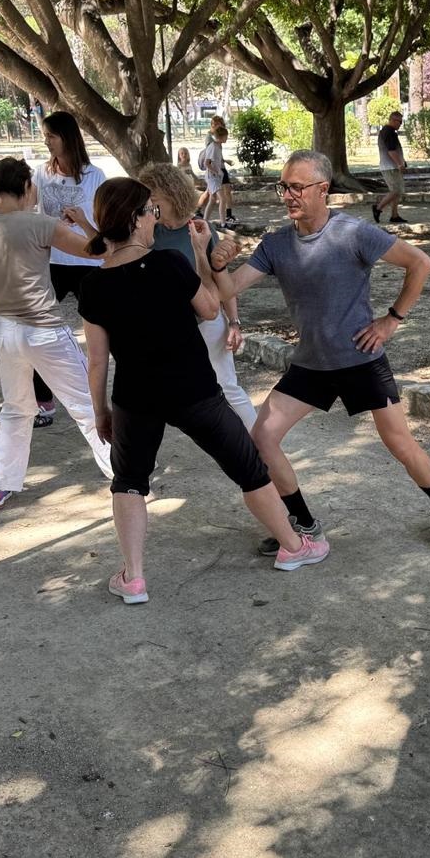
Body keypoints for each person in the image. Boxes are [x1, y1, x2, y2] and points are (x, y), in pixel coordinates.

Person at [77, 179, 330, 604]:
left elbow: (98, 360)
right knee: (248, 468)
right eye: (150, 212)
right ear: (138, 219)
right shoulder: (170, 265)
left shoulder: (95, 285)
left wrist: (100, 411)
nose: (154, 219)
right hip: (193, 389)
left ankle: (134, 577)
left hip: (134, 396)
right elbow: (210, 308)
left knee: (130, 481)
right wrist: (198, 253)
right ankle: (293, 546)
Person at [229, 149, 430, 554]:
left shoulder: (353, 233)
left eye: (297, 187)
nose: (288, 195)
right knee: (262, 438)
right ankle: (303, 524)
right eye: (284, 187)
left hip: (360, 360)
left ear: (323, 190)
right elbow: (226, 290)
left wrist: (391, 320)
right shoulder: (276, 245)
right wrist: (209, 260)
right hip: (311, 364)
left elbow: (420, 263)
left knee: (400, 443)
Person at [0, 156, 112, 509]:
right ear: (27, 187)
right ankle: (122, 474)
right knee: (86, 405)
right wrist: (85, 223)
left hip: (5, 333)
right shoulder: (40, 224)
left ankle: (0, 485)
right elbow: (99, 251)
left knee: (15, 409)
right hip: (44, 329)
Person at [135, 161, 256, 429]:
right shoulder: (148, 232)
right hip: (171, 329)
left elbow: (221, 279)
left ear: (172, 194)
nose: (149, 207)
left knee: (226, 386)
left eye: (153, 199)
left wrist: (234, 323)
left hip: (207, 321)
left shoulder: (200, 228)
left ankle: (260, 441)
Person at [28, 111, 106, 427]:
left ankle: (111, 399)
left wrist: (83, 223)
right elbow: (30, 213)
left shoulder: (94, 175)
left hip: (89, 263)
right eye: (44, 136)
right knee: (37, 330)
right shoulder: (40, 175)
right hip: (53, 263)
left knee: (107, 331)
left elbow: (103, 221)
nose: (46, 141)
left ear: (68, 137)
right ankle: (43, 402)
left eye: (51, 136)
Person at [197, 119, 237, 229]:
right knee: (222, 199)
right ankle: (223, 223)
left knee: (212, 199)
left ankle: (205, 221)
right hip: (212, 177)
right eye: (226, 137)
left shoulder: (218, 146)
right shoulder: (213, 146)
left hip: (216, 176)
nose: (227, 139)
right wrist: (216, 172)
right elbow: (207, 163)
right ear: (222, 136)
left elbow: (217, 160)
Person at [373, 110, 408, 224]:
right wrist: (399, 164)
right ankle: (378, 208)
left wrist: (402, 161)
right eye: (399, 122)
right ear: (393, 120)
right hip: (390, 166)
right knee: (396, 190)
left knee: (397, 191)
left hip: (391, 166)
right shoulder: (388, 132)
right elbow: (391, 151)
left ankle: (394, 215)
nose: (400, 124)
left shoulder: (389, 131)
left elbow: (395, 150)